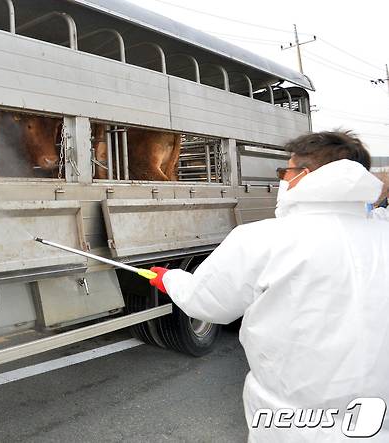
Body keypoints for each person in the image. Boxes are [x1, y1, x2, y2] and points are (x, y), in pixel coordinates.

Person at [149, 131, 389, 442]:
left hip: (292, 423)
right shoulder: (383, 234)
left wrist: (169, 279)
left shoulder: (262, 239)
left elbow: (207, 303)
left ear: (303, 175)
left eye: (284, 171)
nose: (282, 179)